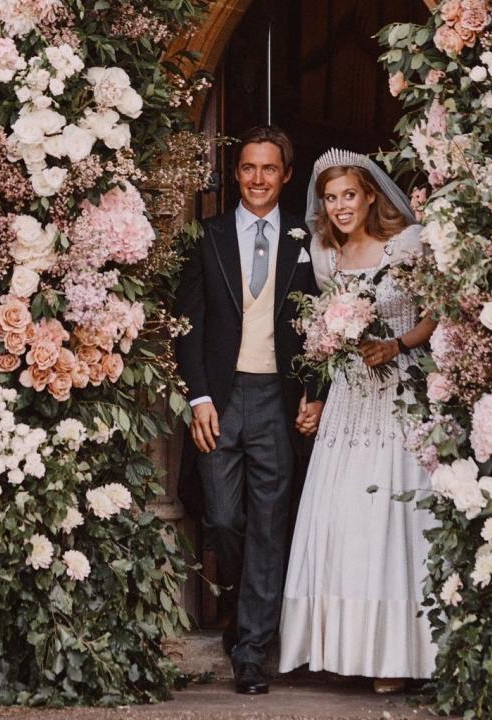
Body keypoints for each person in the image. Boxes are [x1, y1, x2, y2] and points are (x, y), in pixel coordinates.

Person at [278, 149, 439, 693]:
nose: (340, 206)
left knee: (393, 517)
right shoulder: (326, 255)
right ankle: (341, 646)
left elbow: (434, 313)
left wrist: (396, 343)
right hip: (349, 398)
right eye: (330, 198)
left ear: (371, 195)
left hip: (400, 391)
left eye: (349, 194)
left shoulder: (407, 245)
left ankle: (397, 655)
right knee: (344, 513)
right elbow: (324, 339)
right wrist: (317, 392)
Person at [174, 126, 324, 695]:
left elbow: (319, 330)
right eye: (247, 169)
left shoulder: (305, 243)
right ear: (236, 174)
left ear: (286, 175)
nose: (258, 179)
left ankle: (252, 651)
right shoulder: (207, 237)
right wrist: (199, 396)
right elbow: (187, 326)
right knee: (222, 519)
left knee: (269, 524)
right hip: (221, 397)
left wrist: (313, 392)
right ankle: (242, 610)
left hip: (276, 402)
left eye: (269, 169)